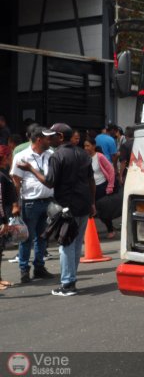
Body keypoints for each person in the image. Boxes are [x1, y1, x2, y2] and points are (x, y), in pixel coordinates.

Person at [17, 123, 95, 297]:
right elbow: (91, 181)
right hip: (83, 205)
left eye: (51, 136)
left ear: (60, 136)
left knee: (66, 244)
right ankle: (71, 279)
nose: (48, 139)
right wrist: (92, 203)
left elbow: (50, 182)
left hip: (67, 208)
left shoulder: (57, 156)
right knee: (75, 244)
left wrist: (31, 169)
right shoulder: (83, 154)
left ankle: (68, 284)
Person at [10, 126, 56, 283]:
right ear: (39, 139)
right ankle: (24, 269)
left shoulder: (51, 155)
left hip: (48, 202)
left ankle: (39, 267)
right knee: (26, 238)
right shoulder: (22, 156)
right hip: (30, 203)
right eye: (48, 138)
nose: (51, 141)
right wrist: (15, 204)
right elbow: (16, 182)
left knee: (43, 237)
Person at [84, 136, 116, 238]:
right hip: (89, 188)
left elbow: (111, 170)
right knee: (89, 210)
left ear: (93, 146)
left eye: (88, 145)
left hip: (101, 187)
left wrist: (110, 186)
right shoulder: (84, 158)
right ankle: (90, 233)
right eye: (84, 146)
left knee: (103, 210)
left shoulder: (100, 156)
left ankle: (110, 229)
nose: (86, 148)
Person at [0, 145, 19, 290]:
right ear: (5, 157)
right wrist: (4, 221)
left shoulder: (4, 173)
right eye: (10, 156)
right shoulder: (1, 176)